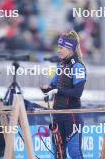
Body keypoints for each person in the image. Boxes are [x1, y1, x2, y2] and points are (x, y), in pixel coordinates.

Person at [41, 30, 86, 159]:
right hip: (57, 114)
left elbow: (78, 92)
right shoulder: (61, 65)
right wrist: (47, 89)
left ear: (70, 48)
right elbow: (53, 85)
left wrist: (57, 91)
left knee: (74, 152)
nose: (58, 50)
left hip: (72, 115)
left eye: (61, 47)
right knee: (59, 152)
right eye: (58, 47)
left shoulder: (78, 66)